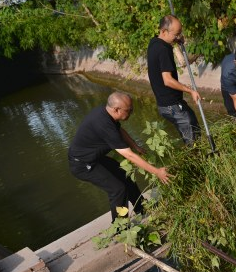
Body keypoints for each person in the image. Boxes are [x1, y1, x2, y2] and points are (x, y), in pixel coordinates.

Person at [68, 92, 169, 221]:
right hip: (82, 164)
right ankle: (121, 227)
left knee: (125, 175)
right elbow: (129, 156)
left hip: (95, 158)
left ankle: (142, 208)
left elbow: (119, 131)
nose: (131, 112)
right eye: (129, 110)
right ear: (116, 109)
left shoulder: (107, 113)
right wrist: (157, 172)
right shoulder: (103, 124)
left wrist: (135, 146)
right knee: (118, 189)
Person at [147, 15, 202, 145]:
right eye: (176, 34)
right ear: (164, 31)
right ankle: (198, 160)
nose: (178, 37)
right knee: (193, 136)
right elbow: (167, 80)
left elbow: (169, 41)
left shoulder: (154, 42)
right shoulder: (163, 49)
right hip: (172, 105)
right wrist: (191, 91)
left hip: (164, 105)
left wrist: (175, 40)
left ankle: (197, 157)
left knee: (191, 127)